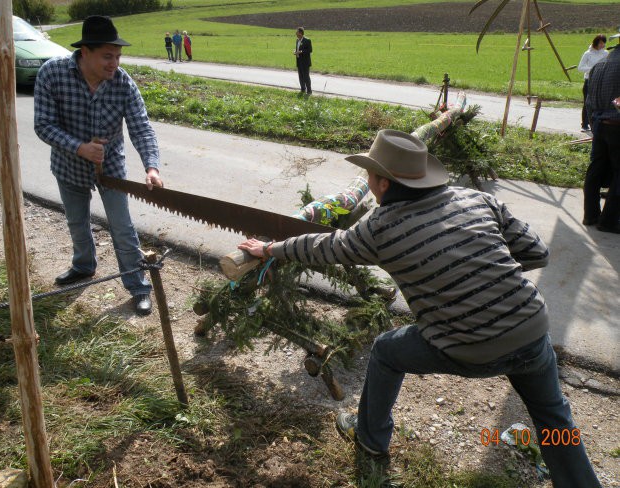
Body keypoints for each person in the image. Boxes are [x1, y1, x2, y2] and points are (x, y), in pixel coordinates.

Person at [239, 130, 601, 487]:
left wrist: (271, 249)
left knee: (385, 351)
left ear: (382, 184)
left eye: (369, 174)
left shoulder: (381, 227)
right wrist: (482, 271)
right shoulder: (477, 200)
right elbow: (538, 252)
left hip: (470, 347)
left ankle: (370, 438)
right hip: (531, 329)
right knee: (553, 416)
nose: (367, 179)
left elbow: (326, 247)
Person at [34, 15, 163, 316]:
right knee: (77, 222)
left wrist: (151, 167)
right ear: (85, 52)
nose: (114, 63)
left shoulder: (123, 83)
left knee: (122, 228)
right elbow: (43, 125)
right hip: (68, 165)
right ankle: (83, 266)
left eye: (118, 56)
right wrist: (79, 147)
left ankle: (138, 286)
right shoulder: (51, 74)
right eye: (107, 56)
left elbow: (141, 128)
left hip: (111, 167)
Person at [583, 38, 620, 233]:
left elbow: (588, 102)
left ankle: (590, 215)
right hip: (617, 125)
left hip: (600, 124)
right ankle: (609, 220)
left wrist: (594, 126)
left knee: (596, 169)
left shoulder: (600, 65)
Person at [577, 34, 608, 131]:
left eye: (604, 43)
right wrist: (593, 69)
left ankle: (596, 123)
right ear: (596, 43)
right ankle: (585, 124)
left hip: (601, 81)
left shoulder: (606, 53)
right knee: (587, 102)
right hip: (589, 80)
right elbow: (580, 67)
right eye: (601, 43)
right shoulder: (588, 54)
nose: (602, 45)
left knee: (599, 102)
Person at [294, 27, 312, 95]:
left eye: (297, 32)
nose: (296, 33)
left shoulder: (307, 40)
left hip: (305, 62)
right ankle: (302, 89)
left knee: (306, 77)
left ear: (301, 33)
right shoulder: (297, 40)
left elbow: (310, 50)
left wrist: (301, 51)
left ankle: (309, 91)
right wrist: (296, 52)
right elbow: (298, 49)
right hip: (299, 61)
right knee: (300, 76)